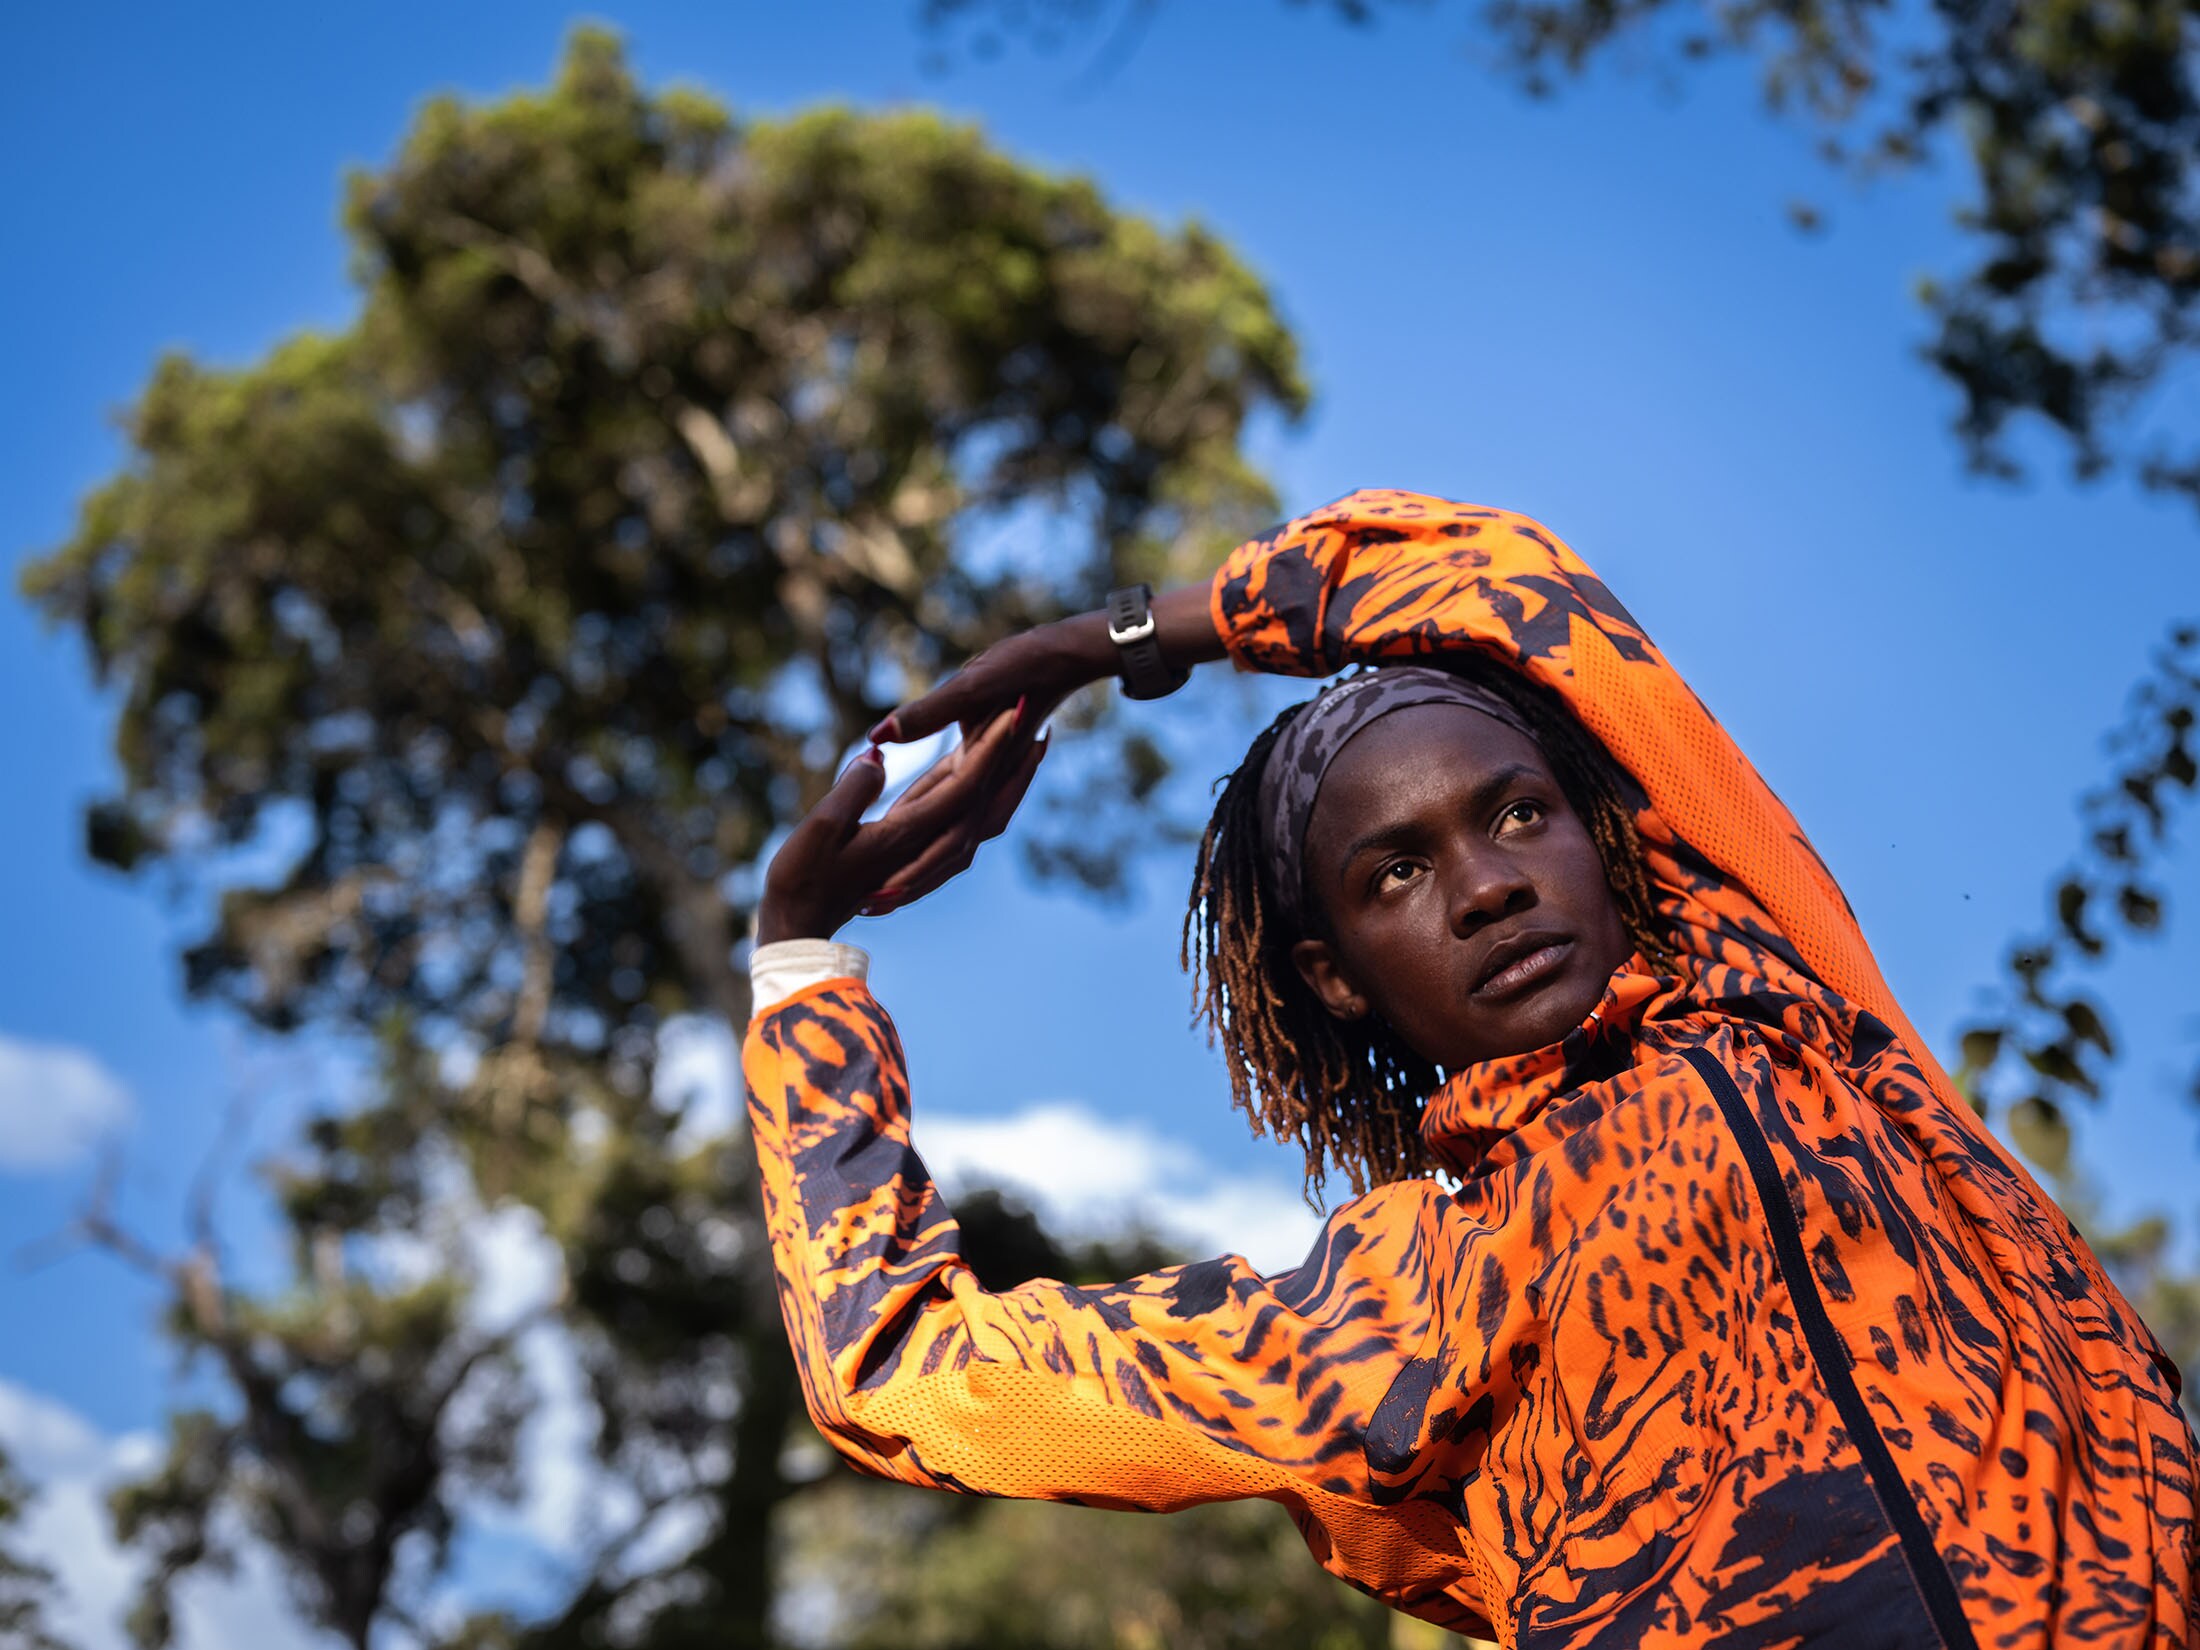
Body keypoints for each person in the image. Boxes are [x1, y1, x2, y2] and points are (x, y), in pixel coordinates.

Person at [743, 489, 2196, 1648]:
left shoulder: (1792, 1003)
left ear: (1601, 834)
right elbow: (904, 1365)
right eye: (1395, 873)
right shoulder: (1402, 1306)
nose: (1487, 886)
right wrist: (800, 966)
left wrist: (1128, 635)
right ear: (1333, 973)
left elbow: (1497, 579)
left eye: (1516, 817)